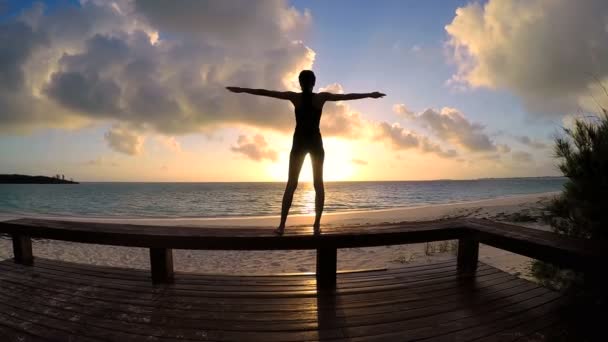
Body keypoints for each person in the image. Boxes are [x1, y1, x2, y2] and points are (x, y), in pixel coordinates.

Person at [227, 70, 385, 235]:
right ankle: (315, 225)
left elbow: (266, 93)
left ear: (301, 83)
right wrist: (369, 94)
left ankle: (282, 226)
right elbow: (346, 97)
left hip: (300, 143)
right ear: (313, 82)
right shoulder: (320, 98)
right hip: (315, 143)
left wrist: (242, 89)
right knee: (317, 184)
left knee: (292, 184)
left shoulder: (296, 97)